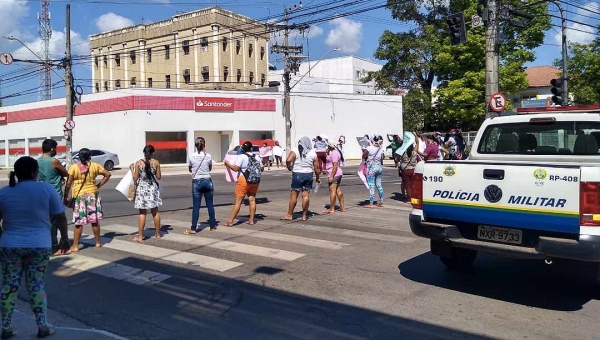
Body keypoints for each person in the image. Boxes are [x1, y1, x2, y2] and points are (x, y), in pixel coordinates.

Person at [0, 156, 71, 339]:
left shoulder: (4, 192)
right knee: (36, 285)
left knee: (9, 286)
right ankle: (42, 326)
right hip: (39, 245)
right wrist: (64, 238)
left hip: (10, 245)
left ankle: (6, 327)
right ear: (34, 172)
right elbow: (60, 216)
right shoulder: (46, 189)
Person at [64, 148, 111, 252]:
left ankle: (75, 246)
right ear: (90, 156)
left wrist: (65, 196)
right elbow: (107, 174)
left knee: (79, 223)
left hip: (80, 196)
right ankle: (98, 242)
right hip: (93, 195)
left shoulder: (74, 167)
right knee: (94, 221)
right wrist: (98, 185)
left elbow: (68, 183)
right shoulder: (95, 166)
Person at [37, 139, 70, 256]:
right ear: (52, 149)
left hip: (41, 196)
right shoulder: (54, 161)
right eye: (55, 148)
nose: (56, 150)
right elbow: (67, 174)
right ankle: (54, 248)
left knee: (46, 222)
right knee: (54, 222)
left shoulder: (37, 161)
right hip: (54, 196)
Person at [224, 141, 264, 226]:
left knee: (238, 202)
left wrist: (227, 164)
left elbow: (235, 168)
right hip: (255, 180)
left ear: (243, 149)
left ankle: (230, 221)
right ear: (251, 148)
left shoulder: (242, 156)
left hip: (243, 180)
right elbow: (262, 168)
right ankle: (251, 220)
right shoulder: (257, 156)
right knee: (252, 200)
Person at [280, 137, 320, 221]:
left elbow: (288, 160)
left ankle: (289, 214)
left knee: (294, 195)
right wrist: (317, 178)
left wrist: (289, 166)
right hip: (308, 174)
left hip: (297, 174)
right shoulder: (313, 153)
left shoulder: (295, 150)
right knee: (305, 195)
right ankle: (304, 215)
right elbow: (316, 167)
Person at [130, 145, 162, 242]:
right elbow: (159, 177)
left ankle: (140, 236)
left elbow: (135, 178)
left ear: (143, 152)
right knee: (155, 211)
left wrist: (132, 169)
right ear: (153, 152)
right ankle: (157, 234)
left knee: (142, 213)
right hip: (152, 189)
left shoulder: (138, 163)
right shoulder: (156, 162)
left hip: (142, 189)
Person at [185, 137, 216, 234]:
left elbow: (190, 169)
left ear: (195, 145)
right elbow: (210, 168)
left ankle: (193, 228)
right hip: (208, 180)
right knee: (210, 205)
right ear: (204, 144)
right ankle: (212, 226)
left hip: (196, 182)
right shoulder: (209, 156)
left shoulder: (191, 156)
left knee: (196, 207)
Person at [322, 142, 345, 214]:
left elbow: (335, 165)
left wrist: (331, 176)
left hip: (335, 173)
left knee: (333, 191)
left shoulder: (334, 153)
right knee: (338, 190)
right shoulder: (336, 152)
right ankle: (342, 207)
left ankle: (332, 208)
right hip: (337, 173)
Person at [363, 135, 385, 208]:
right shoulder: (380, 148)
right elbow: (382, 157)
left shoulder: (369, 148)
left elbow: (364, 155)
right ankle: (381, 201)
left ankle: (371, 203)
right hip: (379, 167)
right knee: (379, 184)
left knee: (371, 185)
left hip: (371, 168)